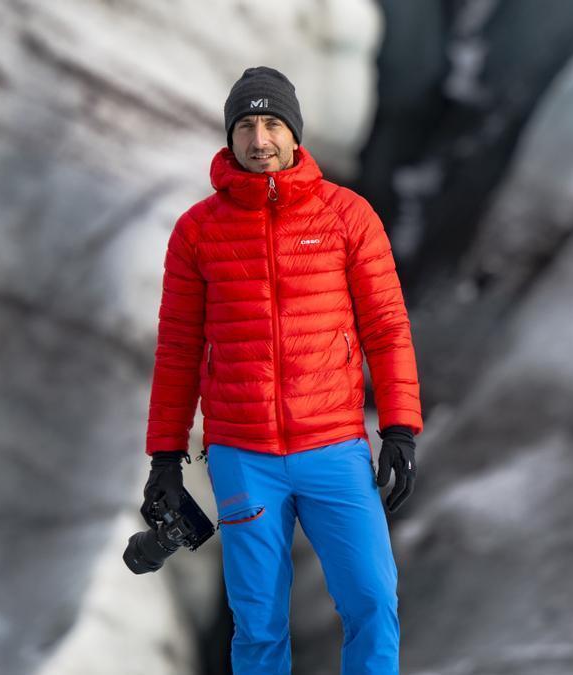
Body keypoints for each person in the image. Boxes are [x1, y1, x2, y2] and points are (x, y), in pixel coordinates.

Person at [141, 65, 423, 675]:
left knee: (373, 599)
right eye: (246, 125)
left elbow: (387, 327)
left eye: (272, 123)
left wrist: (400, 428)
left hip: (336, 449)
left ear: (295, 134)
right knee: (258, 623)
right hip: (244, 457)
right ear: (230, 136)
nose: (260, 138)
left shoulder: (348, 216)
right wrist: (165, 458)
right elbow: (178, 350)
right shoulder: (197, 232)